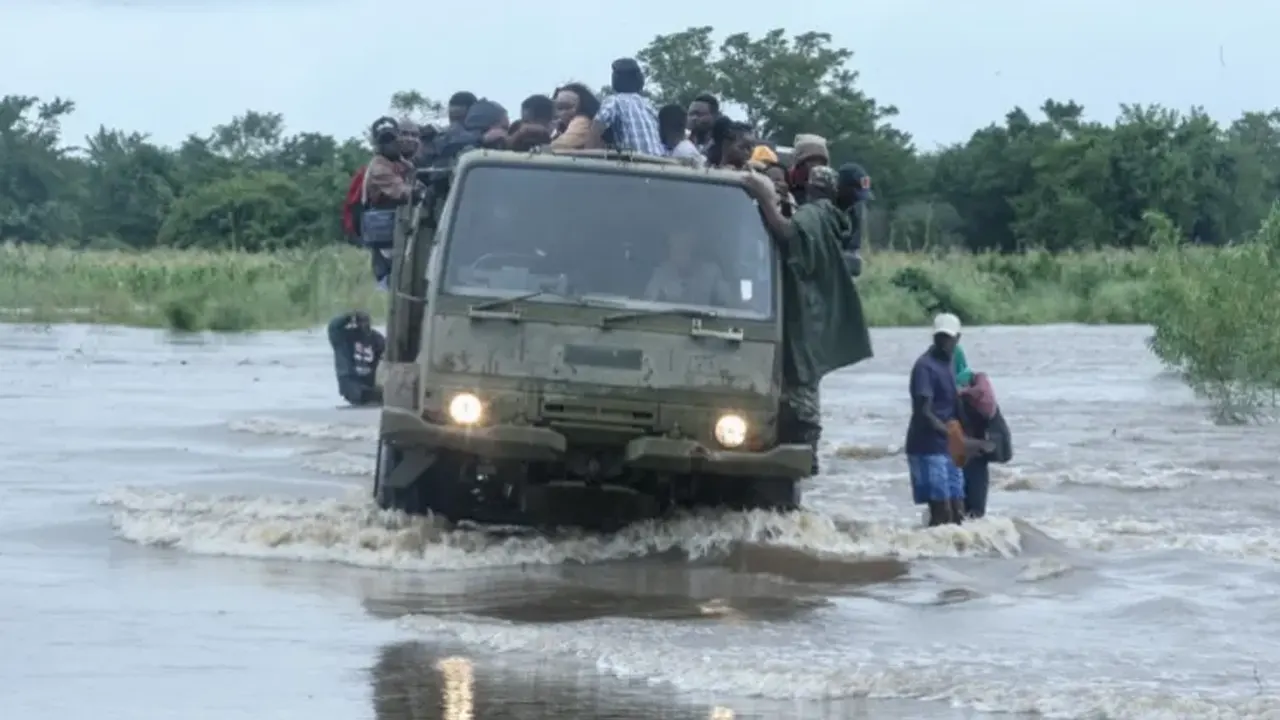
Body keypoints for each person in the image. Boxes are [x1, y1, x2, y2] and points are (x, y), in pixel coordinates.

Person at [745, 165, 874, 476]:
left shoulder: (814, 215)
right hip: (813, 316)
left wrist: (764, 199)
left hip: (802, 316)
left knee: (801, 390)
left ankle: (804, 456)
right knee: (807, 384)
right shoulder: (833, 219)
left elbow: (787, 233)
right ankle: (806, 458)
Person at [906, 313, 992, 526]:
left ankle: (957, 558)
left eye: (948, 338)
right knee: (941, 510)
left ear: (957, 339)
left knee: (958, 509)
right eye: (940, 337)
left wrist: (971, 437)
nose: (943, 342)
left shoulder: (951, 363)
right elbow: (923, 412)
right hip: (927, 447)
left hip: (947, 447)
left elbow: (953, 404)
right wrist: (954, 435)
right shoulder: (924, 367)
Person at [957, 372, 1013, 518]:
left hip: (969, 454)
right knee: (975, 511)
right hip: (977, 452)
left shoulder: (969, 393)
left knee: (965, 510)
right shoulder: (979, 385)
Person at [591, 58, 665, 156]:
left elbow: (598, 124)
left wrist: (589, 153)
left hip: (635, 162)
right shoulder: (648, 104)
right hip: (660, 162)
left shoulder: (614, 101)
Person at [643, 230, 732, 305]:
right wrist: (664, 294)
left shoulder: (712, 273)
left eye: (683, 247)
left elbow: (727, 304)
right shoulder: (661, 273)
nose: (678, 253)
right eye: (675, 248)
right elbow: (649, 303)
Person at [328, 310, 385, 406]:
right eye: (360, 321)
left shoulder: (377, 338)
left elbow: (388, 354)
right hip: (349, 382)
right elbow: (333, 327)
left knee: (378, 395)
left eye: (366, 321)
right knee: (360, 393)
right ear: (355, 323)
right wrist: (348, 316)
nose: (363, 325)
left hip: (369, 383)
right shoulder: (344, 337)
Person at [549, 83, 601, 149]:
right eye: (559, 108)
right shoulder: (559, 127)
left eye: (568, 107)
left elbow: (561, 145)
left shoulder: (582, 120)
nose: (563, 112)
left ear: (582, 107)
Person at [789, 134, 830, 206]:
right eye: (811, 160)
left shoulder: (829, 190)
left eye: (821, 161)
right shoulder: (787, 184)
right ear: (800, 163)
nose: (816, 165)